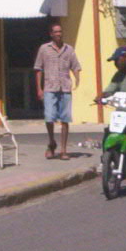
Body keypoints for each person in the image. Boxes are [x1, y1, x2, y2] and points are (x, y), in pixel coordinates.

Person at [34, 23, 82, 160]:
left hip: (65, 88)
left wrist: (77, 78)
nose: (59, 34)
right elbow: (38, 69)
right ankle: (51, 142)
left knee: (65, 119)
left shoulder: (69, 49)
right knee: (49, 117)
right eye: (56, 32)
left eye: (60, 31)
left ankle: (63, 150)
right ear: (51, 34)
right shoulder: (44, 49)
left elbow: (75, 66)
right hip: (50, 87)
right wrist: (39, 88)